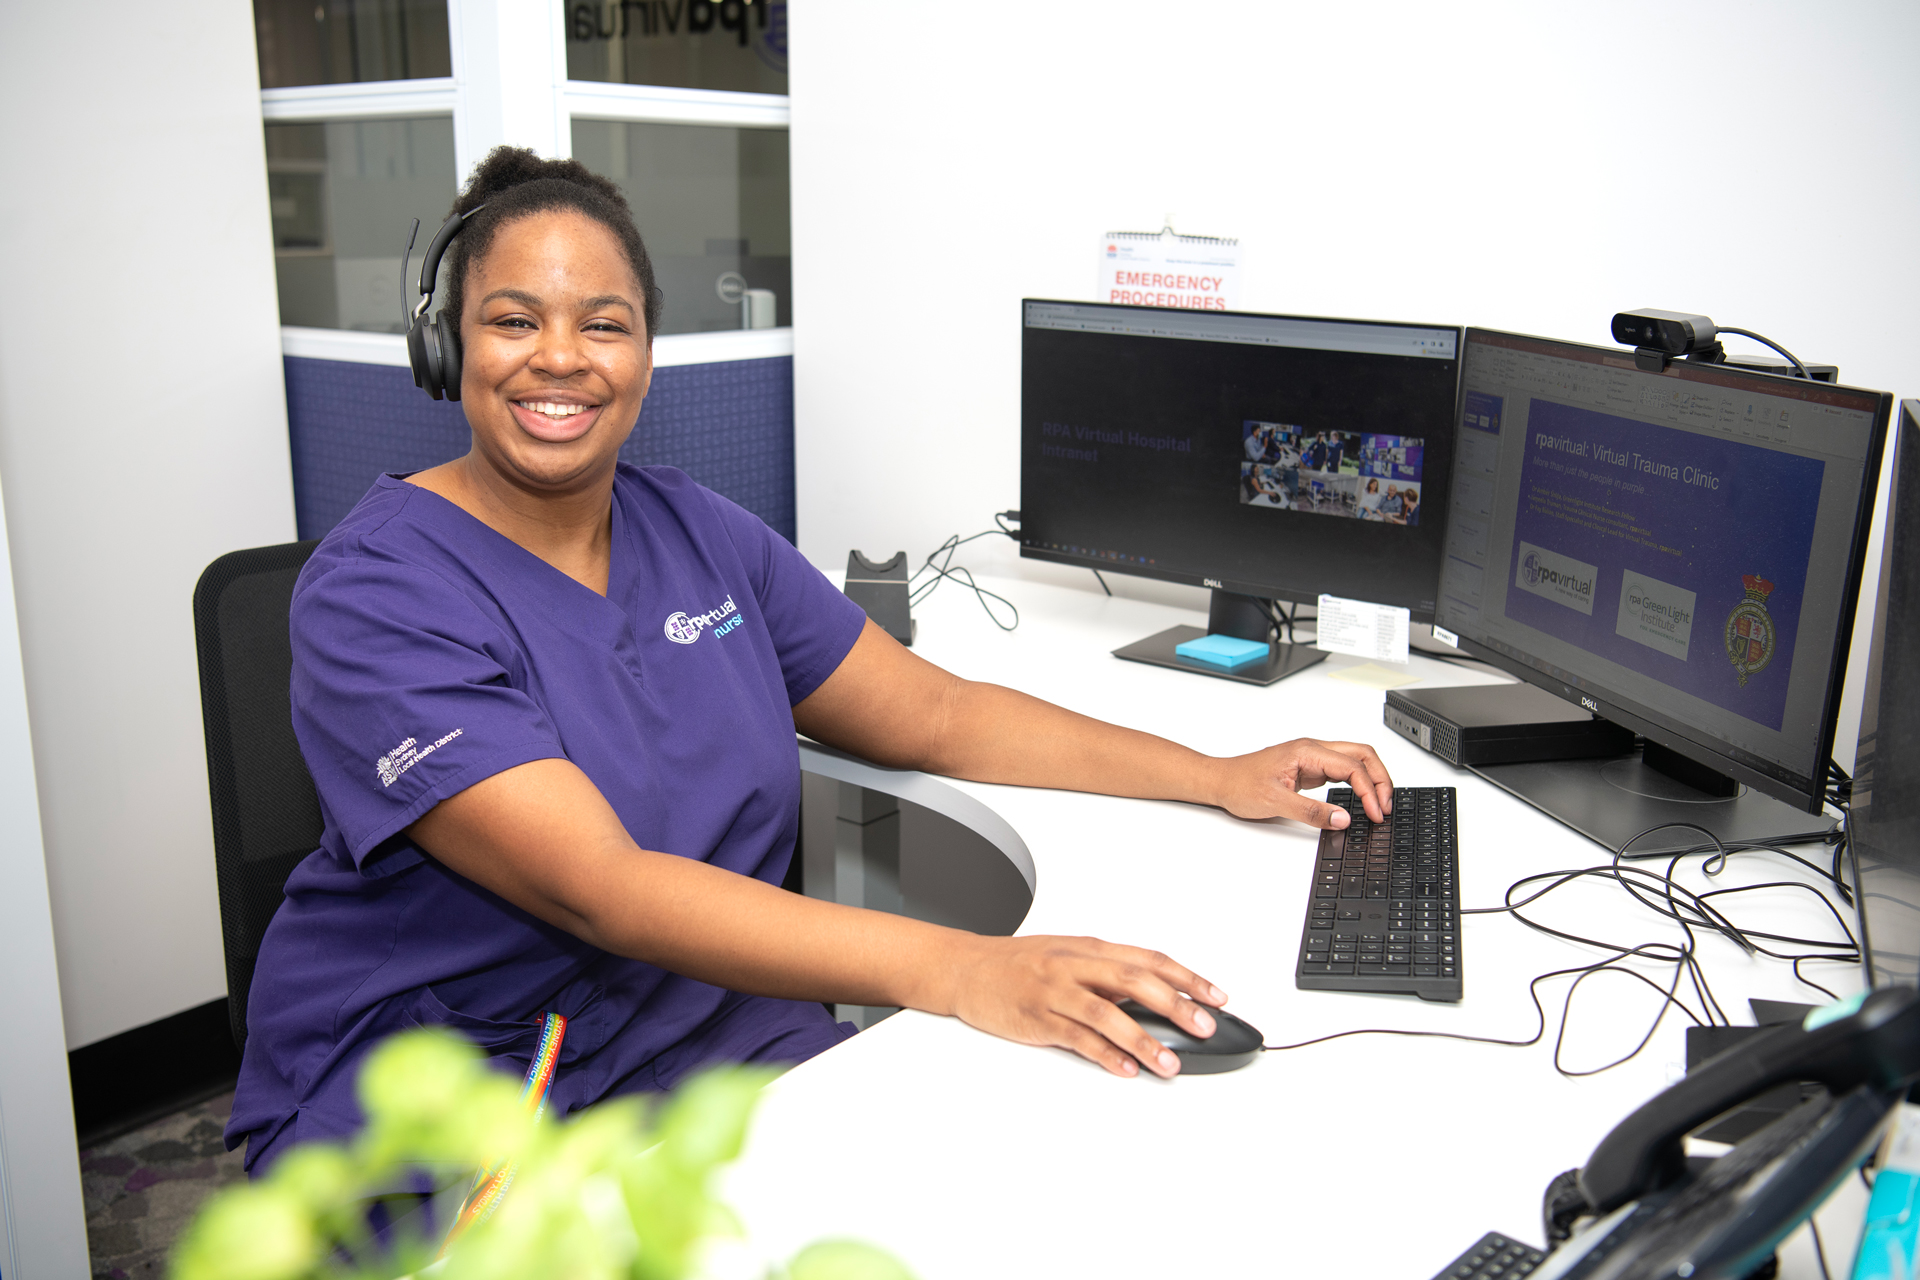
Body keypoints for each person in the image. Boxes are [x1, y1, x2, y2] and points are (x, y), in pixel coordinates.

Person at [225, 148, 1396, 1173]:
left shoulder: (696, 530)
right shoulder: (376, 589)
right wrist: (965, 967)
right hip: (458, 1085)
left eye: (604, 321)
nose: (561, 359)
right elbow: (606, 887)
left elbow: (934, 714)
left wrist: (1215, 769)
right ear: (448, 342)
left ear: (645, 350)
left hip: (709, 1032)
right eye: (515, 318)